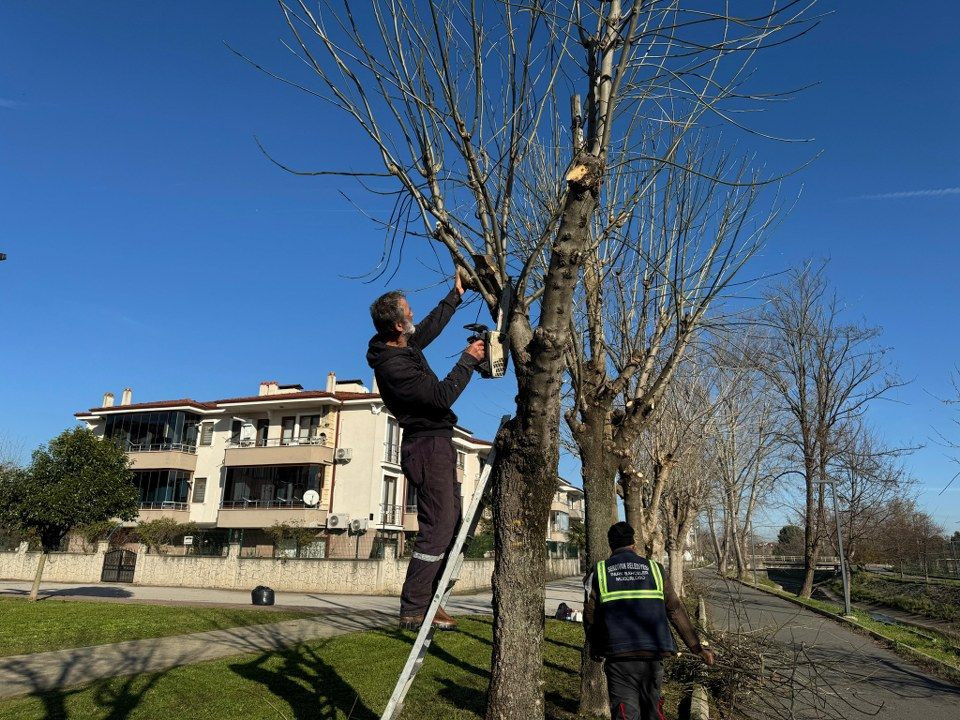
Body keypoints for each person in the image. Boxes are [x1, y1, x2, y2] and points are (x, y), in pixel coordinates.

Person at [366, 268, 485, 630]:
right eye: (408, 312)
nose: (413, 313)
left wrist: (456, 294)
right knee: (438, 527)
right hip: (426, 444)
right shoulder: (394, 366)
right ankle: (415, 607)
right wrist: (468, 360)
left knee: (451, 523)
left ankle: (430, 600)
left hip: (436, 442)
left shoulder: (403, 345)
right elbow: (439, 397)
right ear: (397, 325)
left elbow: (430, 326)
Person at [583, 521, 715, 720]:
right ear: (633, 544)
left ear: (610, 544)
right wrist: (697, 648)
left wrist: (595, 646)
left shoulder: (599, 571)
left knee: (625, 713)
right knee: (652, 712)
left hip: (619, 657)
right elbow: (675, 610)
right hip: (653, 653)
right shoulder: (655, 569)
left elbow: (590, 615)